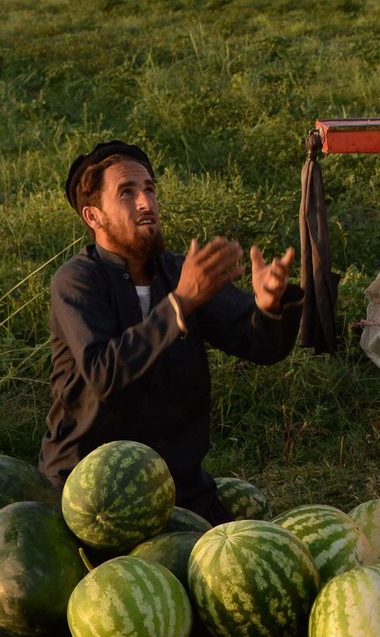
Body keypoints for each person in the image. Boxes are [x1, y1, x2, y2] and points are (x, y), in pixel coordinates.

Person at [41, 140, 303, 524]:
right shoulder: (77, 282)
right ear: (93, 216)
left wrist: (267, 306)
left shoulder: (181, 272)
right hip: (90, 491)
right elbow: (103, 373)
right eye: (127, 193)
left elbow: (259, 344)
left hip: (177, 486)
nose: (146, 203)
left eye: (149, 189)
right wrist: (179, 304)